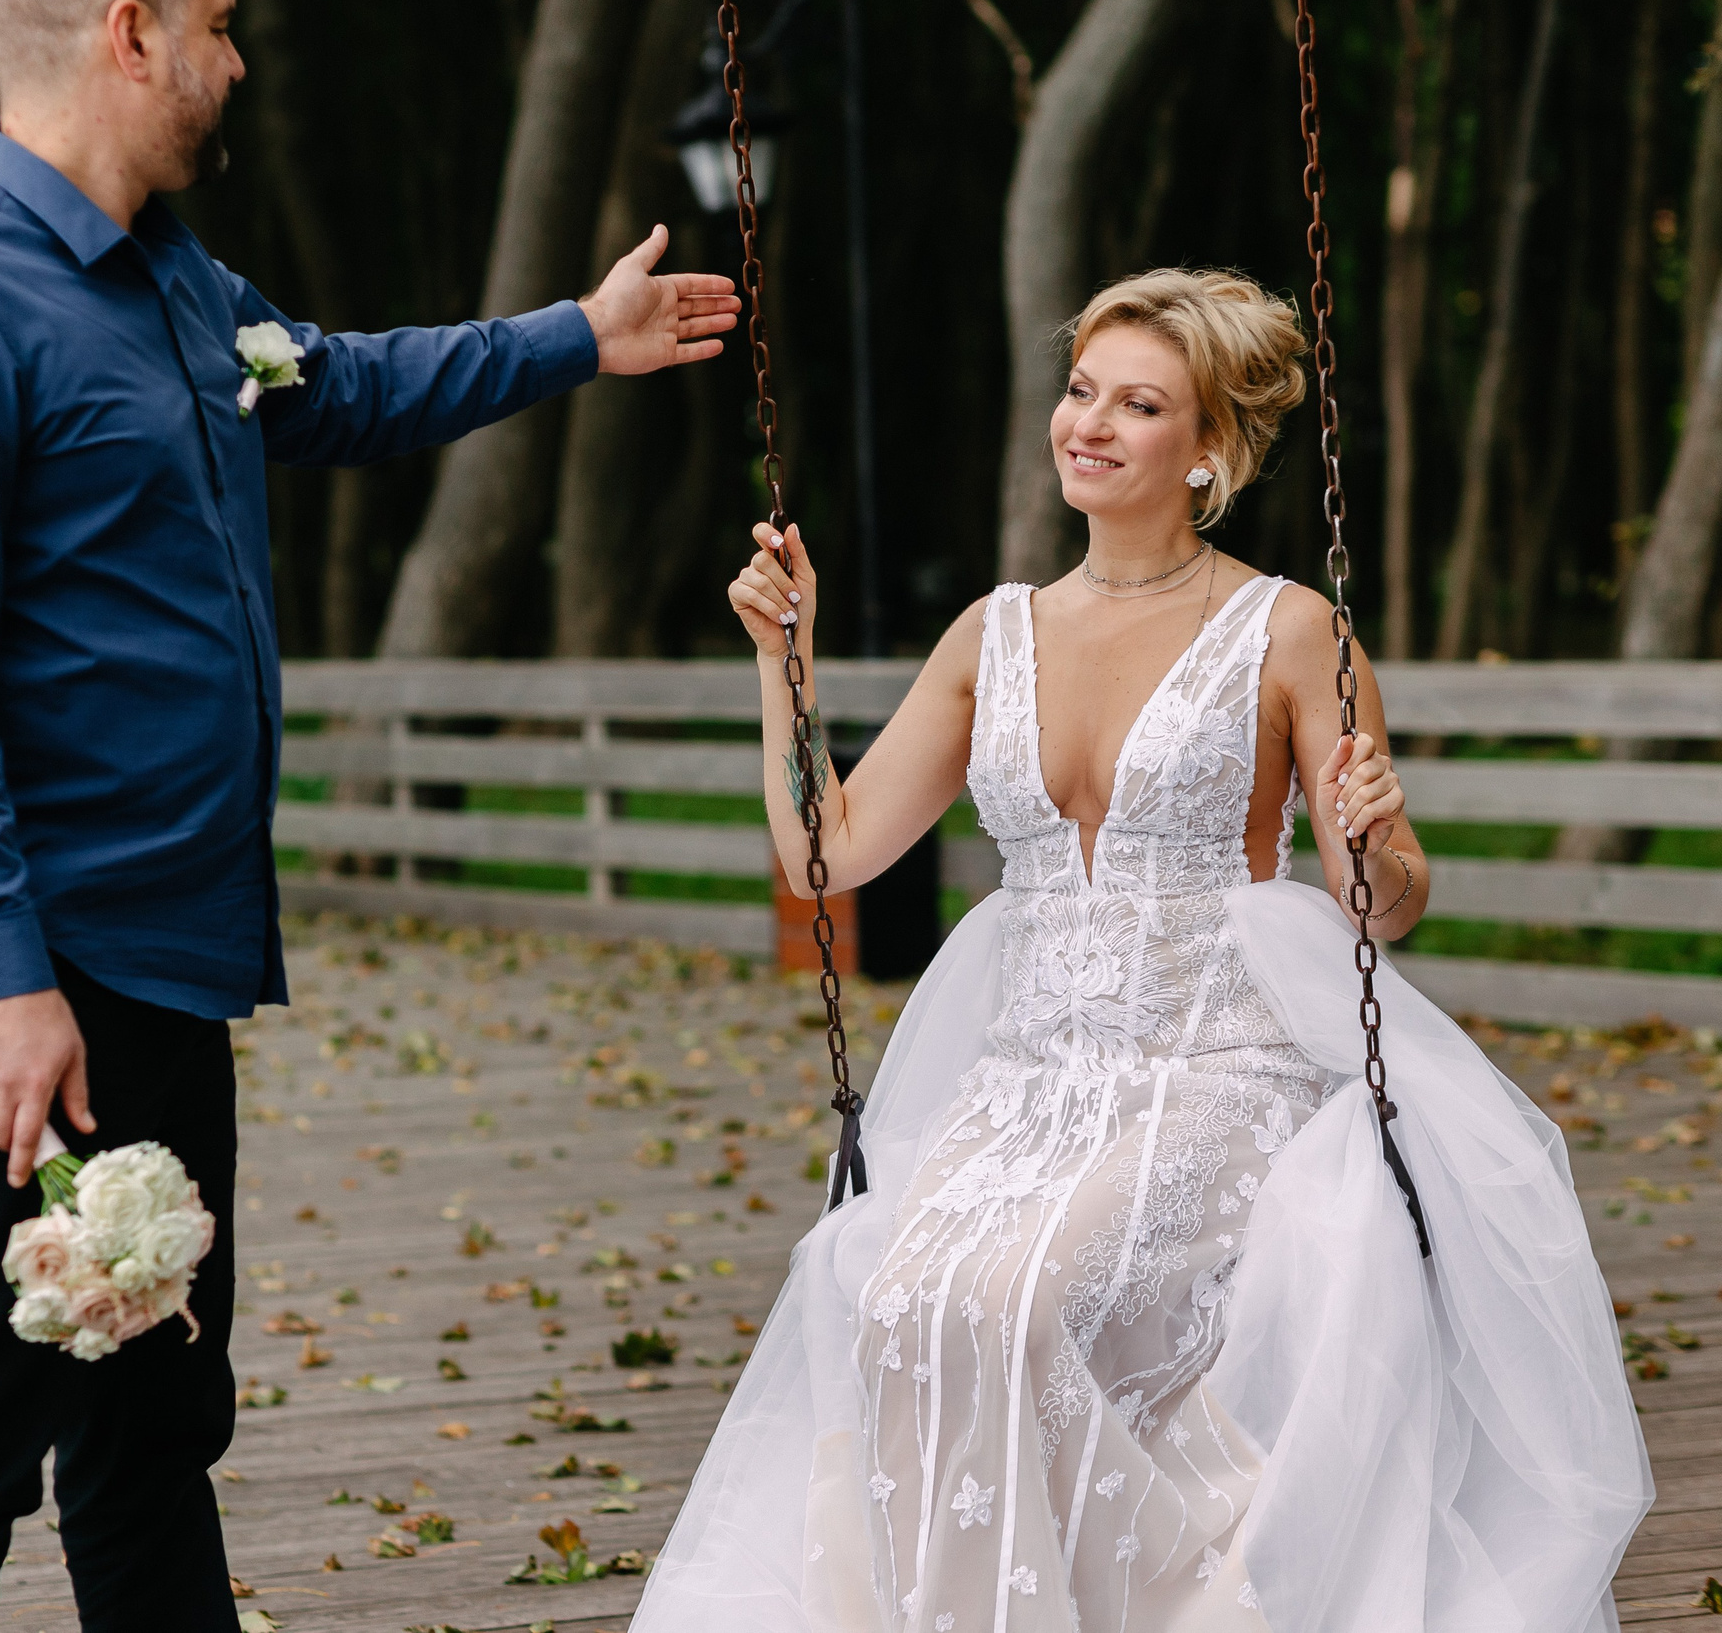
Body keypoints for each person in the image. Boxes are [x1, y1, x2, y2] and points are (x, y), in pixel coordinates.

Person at [0, 0, 738, 1629]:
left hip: (165, 955)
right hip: (17, 970)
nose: (241, 61)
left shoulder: (176, 277)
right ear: (130, 38)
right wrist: (6, 985)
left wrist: (573, 339)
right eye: (221, 29)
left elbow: (337, 385)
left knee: (157, 1419)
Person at [632, 269, 1650, 1633]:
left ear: (1211, 451)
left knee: (1019, 1299)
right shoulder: (994, 633)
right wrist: (784, 663)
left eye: (1140, 404)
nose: (1090, 424)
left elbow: (1383, 910)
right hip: (1029, 1084)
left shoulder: (1289, 628)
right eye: (1080, 392)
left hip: (1212, 1068)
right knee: (889, 1297)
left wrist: (1381, 835)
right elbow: (831, 852)